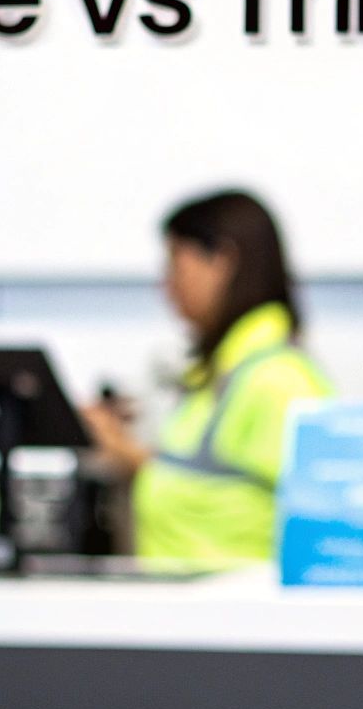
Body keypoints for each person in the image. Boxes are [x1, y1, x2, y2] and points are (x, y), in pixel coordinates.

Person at [82, 190, 333, 570]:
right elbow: (206, 482)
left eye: (175, 266)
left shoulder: (277, 381)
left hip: (239, 616)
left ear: (222, 261)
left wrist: (128, 456)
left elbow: (319, 514)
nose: (166, 287)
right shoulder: (224, 374)